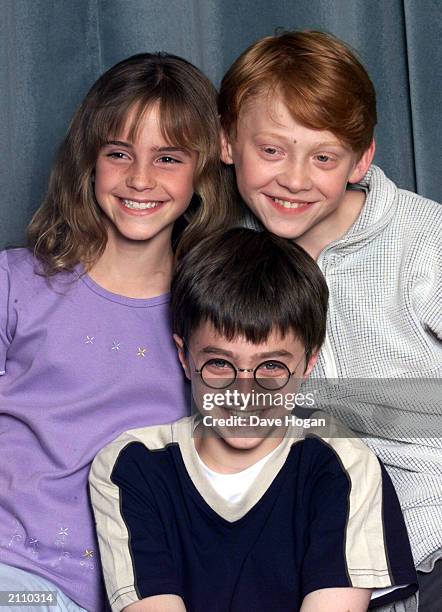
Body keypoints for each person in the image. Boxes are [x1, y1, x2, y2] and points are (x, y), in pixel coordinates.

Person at [218, 31, 442, 611]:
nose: (294, 179)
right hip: (319, 556)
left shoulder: (423, 242)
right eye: (271, 150)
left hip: (433, 533)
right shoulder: (223, 259)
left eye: (323, 157)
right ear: (226, 143)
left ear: (362, 158)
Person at [0, 53, 231, 611]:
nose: (140, 179)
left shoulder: (212, 321)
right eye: (119, 154)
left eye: (168, 158)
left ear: (201, 172)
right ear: (90, 162)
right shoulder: (15, 283)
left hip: (137, 592)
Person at [90, 228, 417, 612]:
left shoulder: (341, 465)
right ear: (185, 358)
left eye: (273, 367)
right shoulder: (132, 465)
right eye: (219, 364)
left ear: (309, 362)